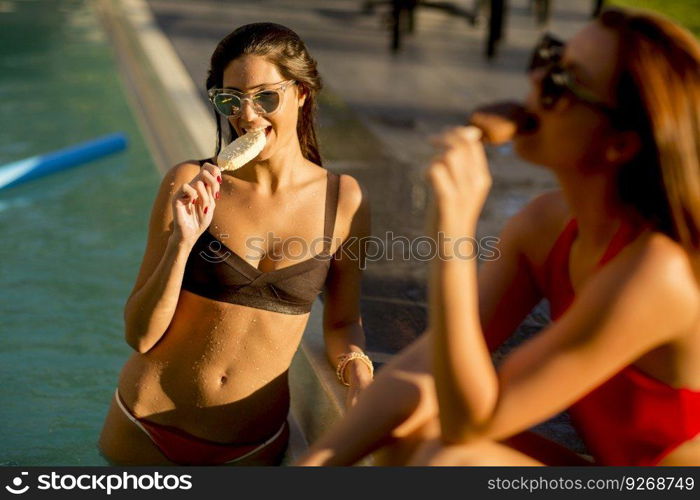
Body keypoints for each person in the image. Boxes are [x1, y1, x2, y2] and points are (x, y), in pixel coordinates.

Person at [297, 7, 700, 466]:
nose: (535, 82)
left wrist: (452, 229)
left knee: (452, 460)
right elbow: (422, 367)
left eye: (562, 83)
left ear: (620, 144)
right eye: (548, 58)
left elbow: (471, 424)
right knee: (408, 423)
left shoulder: (655, 271)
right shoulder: (546, 226)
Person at [99, 22, 373, 466]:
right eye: (231, 100)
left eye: (266, 97)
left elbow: (342, 321)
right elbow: (140, 335)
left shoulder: (343, 200)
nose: (247, 116)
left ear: (301, 92)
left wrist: (358, 372)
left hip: (250, 448)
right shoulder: (188, 182)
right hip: (144, 429)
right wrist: (182, 242)